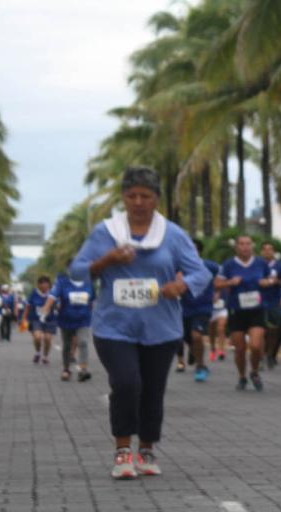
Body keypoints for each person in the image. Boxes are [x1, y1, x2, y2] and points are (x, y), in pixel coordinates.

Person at [69, 166, 212, 479]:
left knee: (152, 389)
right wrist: (107, 260)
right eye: (131, 195)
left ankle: (146, 449)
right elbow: (77, 271)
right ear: (123, 197)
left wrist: (182, 285)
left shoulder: (172, 235)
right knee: (125, 383)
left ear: (156, 199)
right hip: (113, 326)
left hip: (160, 327)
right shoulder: (105, 232)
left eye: (145, 196)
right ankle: (122, 451)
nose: (137, 202)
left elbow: (201, 272)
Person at [215, 235, 273, 391]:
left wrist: (266, 282)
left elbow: (272, 279)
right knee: (240, 348)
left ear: (252, 246)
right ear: (236, 247)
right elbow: (217, 283)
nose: (245, 247)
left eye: (248, 244)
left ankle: (254, 372)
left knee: (255, 346)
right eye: (241, 244)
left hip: (257, 309)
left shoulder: (261, 263)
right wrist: (230, 282)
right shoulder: (228, 264)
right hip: (236, 310)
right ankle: (242, 376)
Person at [180, 238, 221, 383]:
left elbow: (220, 280)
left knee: (196, 336)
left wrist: (217, 293)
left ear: (199, 251)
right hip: (184, 308)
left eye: (195, 249)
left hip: (203, 307)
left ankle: (201, 365)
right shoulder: (180, 266)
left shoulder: (210, 266)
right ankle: (193, 350)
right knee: (187, 338)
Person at [43, 272, 95, 382]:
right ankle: (66, 369)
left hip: (83, 319)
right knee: (67, 345)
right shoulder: (62, 282)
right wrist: (46, 308)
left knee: (83, 342)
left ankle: (83, 370)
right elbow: (52, 296)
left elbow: (92, 300)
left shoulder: (89, 282)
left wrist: (96, 315)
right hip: (66, 319)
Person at [260, 241, 281, 369]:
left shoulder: (280, 266)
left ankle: (272, 355)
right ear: (261, 252)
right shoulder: (258, 264)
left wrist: (279, 284)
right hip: (259, 301)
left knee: (277, 330)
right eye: (265, 249)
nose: (267, 251)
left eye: (270, 249)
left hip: (275, 301)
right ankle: (261, 356)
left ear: (274, 252)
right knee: (262, 330)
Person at [23, 276, 58, 364]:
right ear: (38, 285)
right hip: (36, 319)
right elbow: (28, 306)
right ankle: (38, 352)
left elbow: (58, 306)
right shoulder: (34, 293)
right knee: (37, 337)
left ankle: (45, 356)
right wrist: (24, 319)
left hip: (50, 319)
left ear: (49, 285)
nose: (44, 286)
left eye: (46, 284)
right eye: (41, 284)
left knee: (48, 338)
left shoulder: (53, 293)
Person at [208, 293, 228, 362]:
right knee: (211, 331)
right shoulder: (209, 284)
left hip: (222, 309)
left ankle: (221, 350)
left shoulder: (224, 283)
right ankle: (213, 349)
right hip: (210, 309)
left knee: (221, 329)